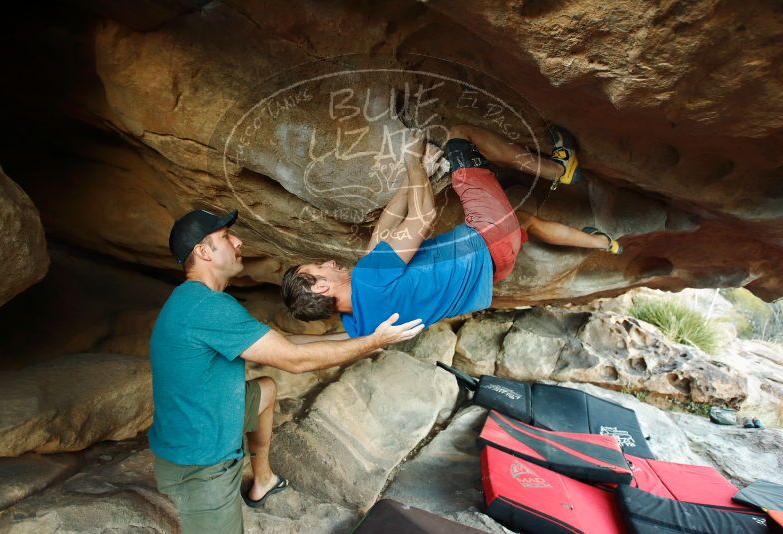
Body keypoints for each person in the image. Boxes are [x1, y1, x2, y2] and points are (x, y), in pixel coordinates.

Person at [150, 208, 424, 534]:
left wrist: (362, 336)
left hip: (200, 421)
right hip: (200, 464)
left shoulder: (196, 300)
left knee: (265, 389)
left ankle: (262, 480)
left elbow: (280, 342)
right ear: (203, 251)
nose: (238, 241)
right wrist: (373, 342)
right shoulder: (208, 307)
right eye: (225, 237)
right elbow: (294, 360)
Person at [282, 124, 623, 337]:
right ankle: (558, 169)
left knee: (525, 221)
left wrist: (417, 176)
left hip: (493, 270)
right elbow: (425, 215)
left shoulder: (362, 324)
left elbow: (382, 231)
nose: (327, 262)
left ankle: (603, 243)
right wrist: (413, 163)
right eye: (318, 268)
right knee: (460, 135)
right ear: (323, 286)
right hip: (487, 235)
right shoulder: (370, 277)